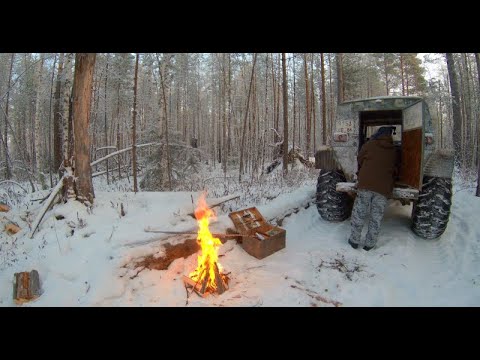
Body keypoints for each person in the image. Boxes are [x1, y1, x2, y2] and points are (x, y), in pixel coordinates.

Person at [348, 126, 398, 251]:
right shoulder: (394, 150)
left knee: (359, 213)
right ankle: (369, 244)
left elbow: (359, 159)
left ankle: (354, 240)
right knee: (376, 217)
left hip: (366, 184)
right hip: (383, 188)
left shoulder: (369, 145)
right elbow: (397, 167)